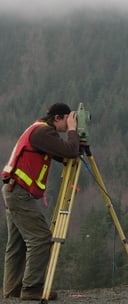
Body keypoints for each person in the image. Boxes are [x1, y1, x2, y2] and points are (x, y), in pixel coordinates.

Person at [1, 103, 79, 301]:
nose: (68, 124)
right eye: (66, 120)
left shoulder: (38, 130)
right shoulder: (43, 132)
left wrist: (76, 141)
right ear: (57, 118)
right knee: (41, 238)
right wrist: (73, 131)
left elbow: (63, 153)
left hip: (14, 190)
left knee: (17, 243)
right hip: (18, 193)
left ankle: (12, 290)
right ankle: (31, 288)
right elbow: (70, 151)